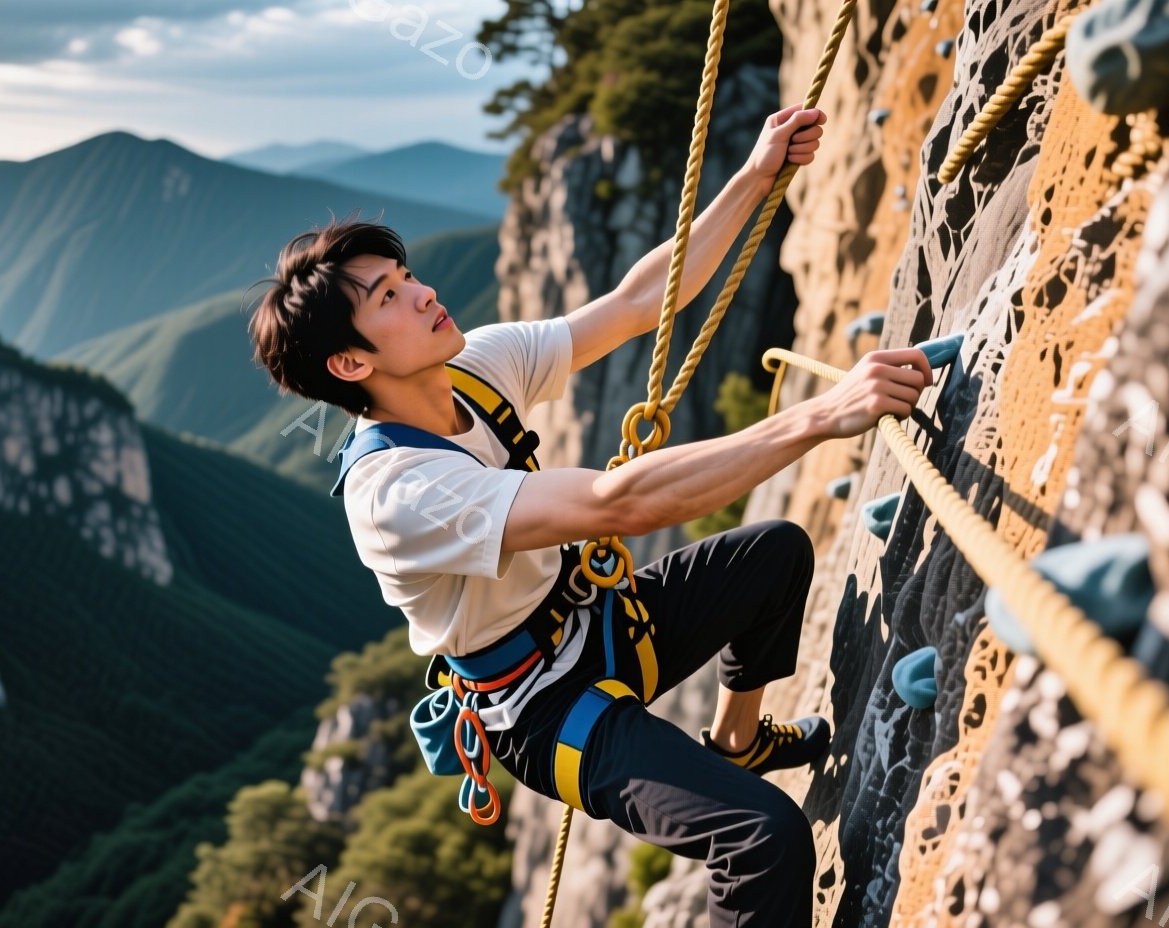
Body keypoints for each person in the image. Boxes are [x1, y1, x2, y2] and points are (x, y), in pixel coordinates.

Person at [249, 104, 934, 926]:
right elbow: (623, 502)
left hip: (598, 624)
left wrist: (755, 178)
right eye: (391, 296)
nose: (426, 293)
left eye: (408, 277)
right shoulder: (396, 494)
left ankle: (738, 740)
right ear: (353, 363)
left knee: (777, 552)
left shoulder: (473, 368)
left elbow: (640, 299)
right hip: (539, 706)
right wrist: (821, 416)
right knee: (763, 837)